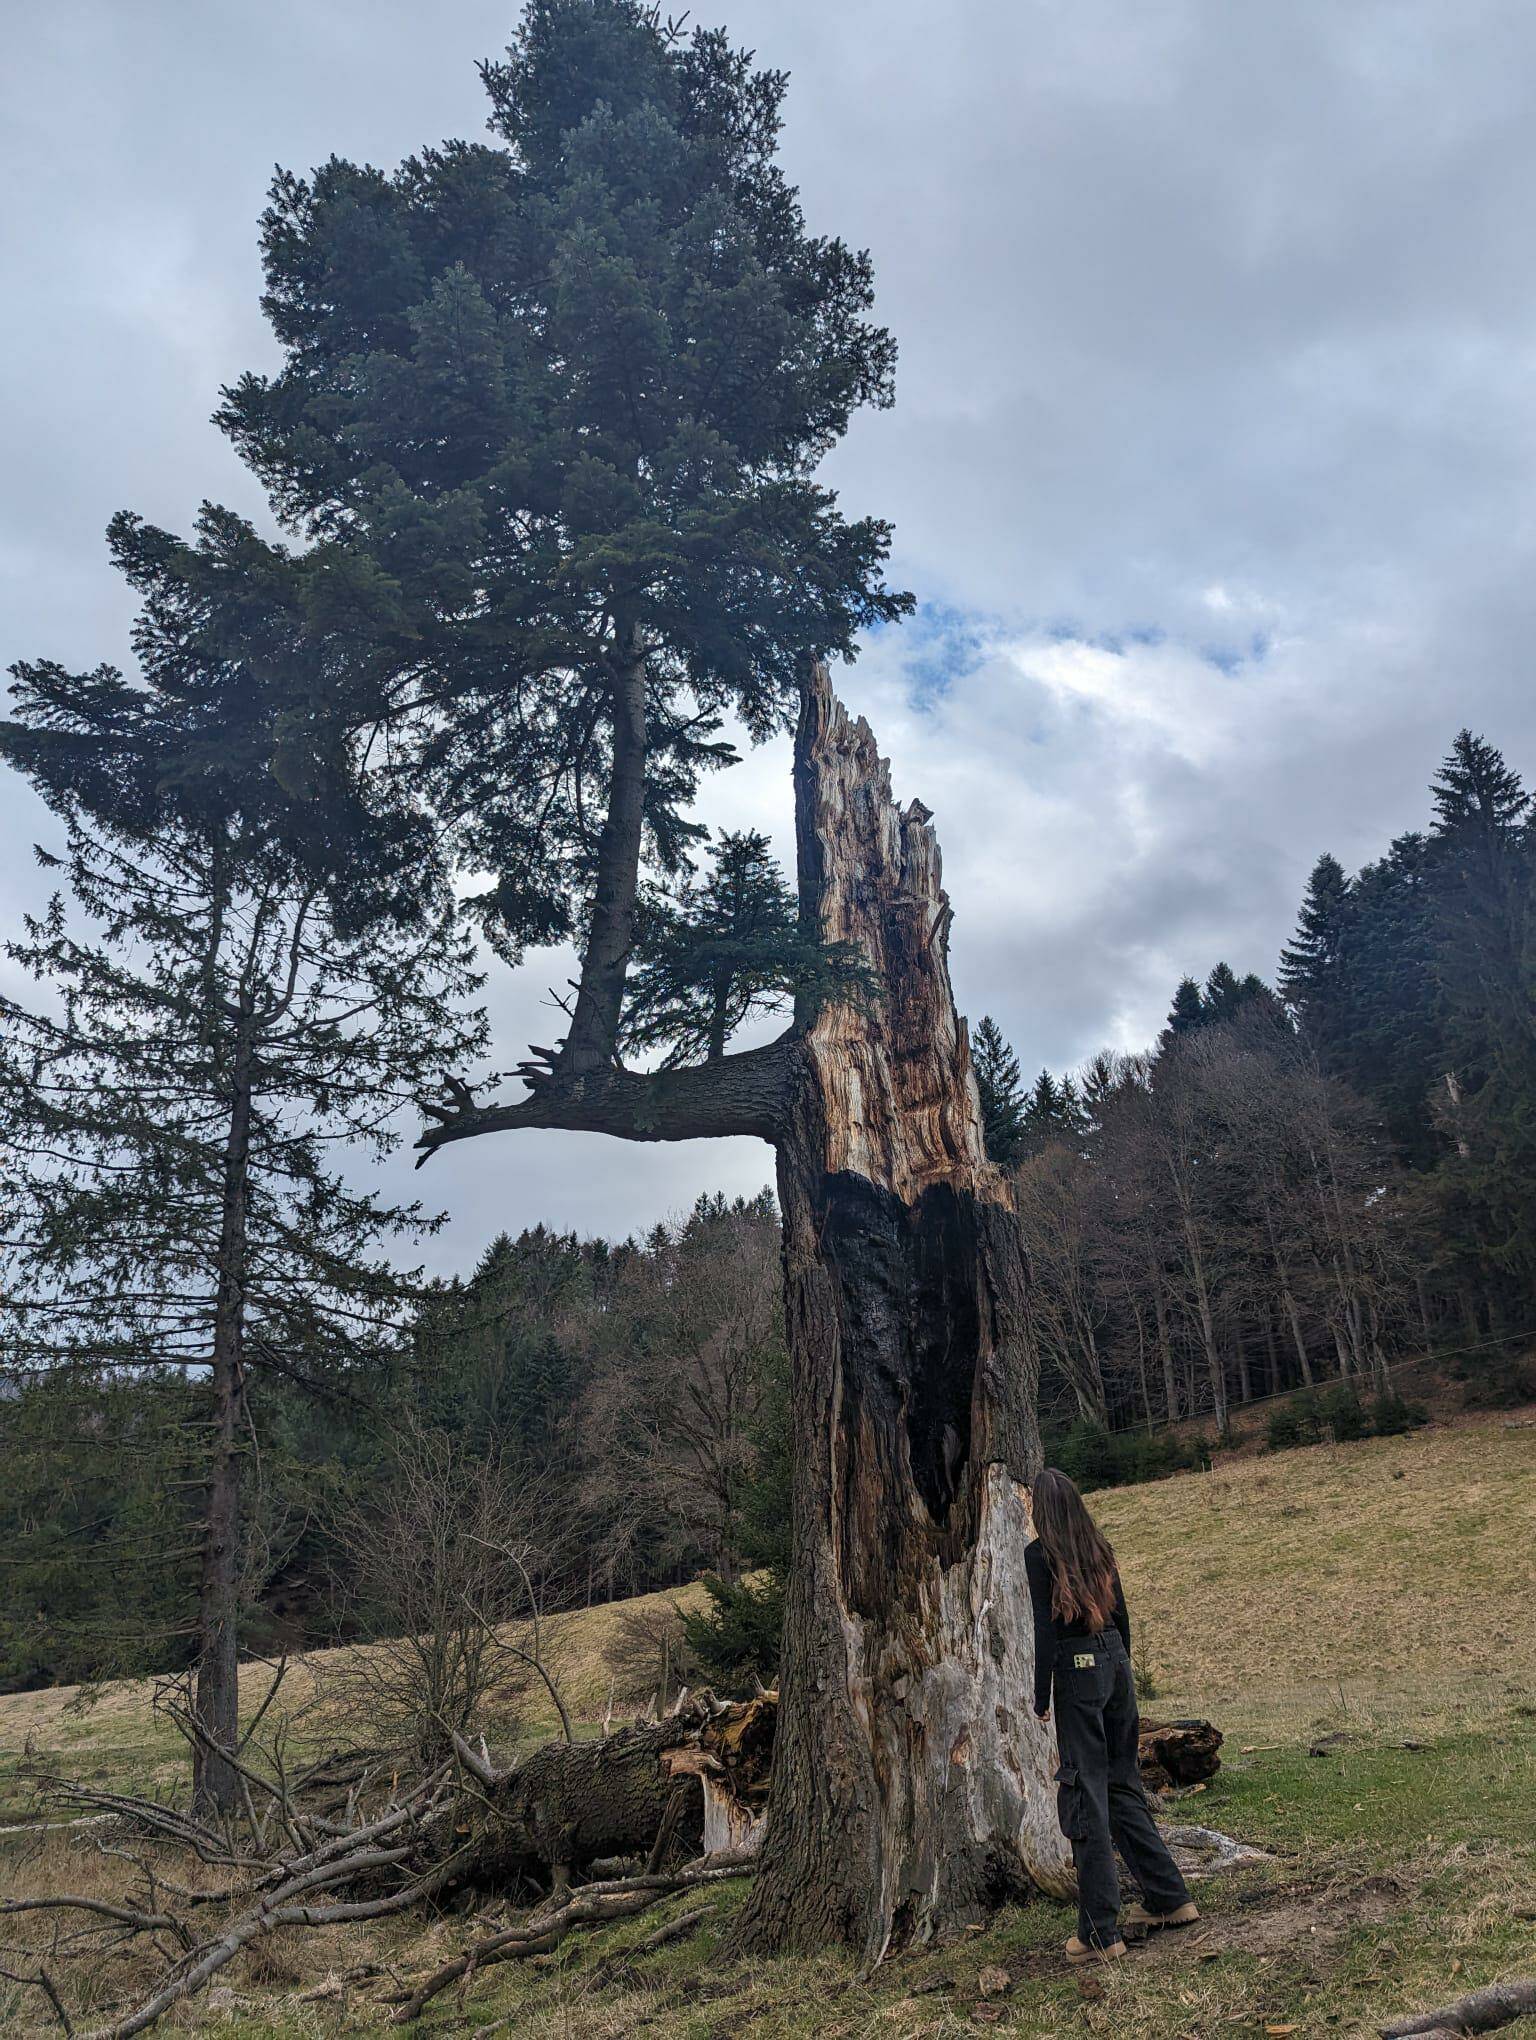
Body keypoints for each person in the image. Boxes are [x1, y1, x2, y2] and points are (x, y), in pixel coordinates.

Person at [1026, 1466, 1199, 1963]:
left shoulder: (1040, 1555)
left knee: (1086, 1795)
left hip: (1077, 1670)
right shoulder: (1098, 1545)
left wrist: (1042, 1696)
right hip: (1115, 1664)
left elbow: (1045, 1631)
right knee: (1124, 1785)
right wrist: (1119, 1670)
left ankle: (1100, 1932)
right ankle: (1169, 1897)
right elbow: (1121, 1617)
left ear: (1041, 1510)